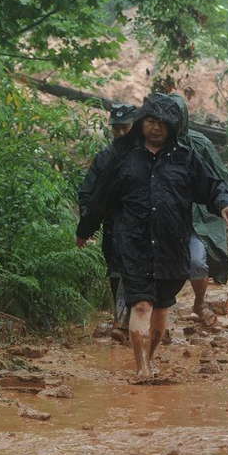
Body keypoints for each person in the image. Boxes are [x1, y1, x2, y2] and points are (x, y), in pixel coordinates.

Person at [77, 93, 228, 379]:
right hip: (133, 242)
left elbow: (212, 186)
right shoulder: (121, 158)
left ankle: (150, 359)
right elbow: (100, 198)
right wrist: (85, 229)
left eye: (162, 124)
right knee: (140, 303)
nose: (155, 128)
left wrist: (226, 204)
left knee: (161, 308)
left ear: (172, 128)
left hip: (171, 242)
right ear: (142, 123)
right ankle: (142, 368)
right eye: (150, 121)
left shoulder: (186, 159)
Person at [168, 94, 228, 326]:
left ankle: (199, 302)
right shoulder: (150, 145)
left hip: (201, 212)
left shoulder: (199, 144)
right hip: (166, 215)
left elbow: (221, 176)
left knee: (197, 262)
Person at [77, 103, 137, 343]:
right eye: (116, 129)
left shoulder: (151, 155)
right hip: (114, 226)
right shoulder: (104, 158)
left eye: (125, 128)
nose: (121, 134)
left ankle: (146, 321)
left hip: (147, 227)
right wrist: (87, 223)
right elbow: (88, 192)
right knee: (115, 272)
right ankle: (121, 319)